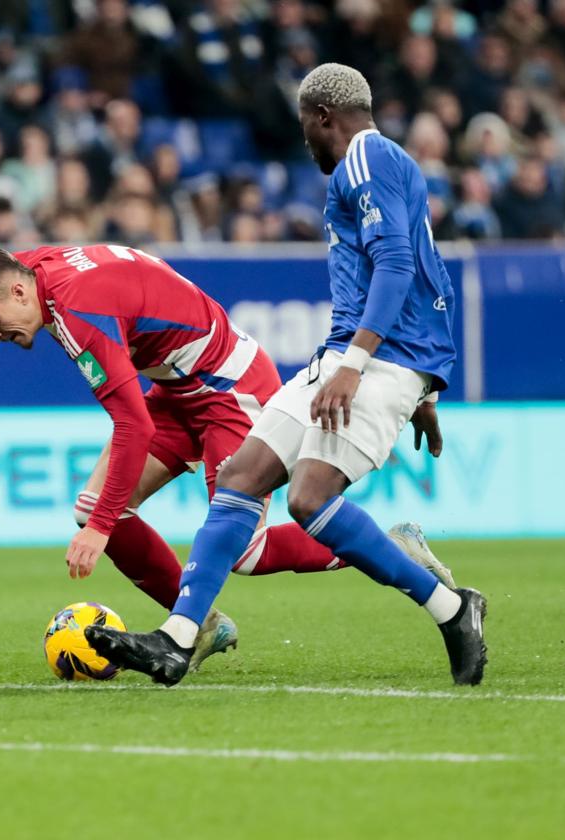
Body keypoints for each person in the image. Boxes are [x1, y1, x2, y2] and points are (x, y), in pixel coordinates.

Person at [0, 244, 454, 672]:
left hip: (227, 389)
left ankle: (393, 548)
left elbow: (130, 423)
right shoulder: (34, 271)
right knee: (94, 506)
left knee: (242, 549)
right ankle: (202, 625)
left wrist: (104, 530)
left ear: (19, 292)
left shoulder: (74, 310)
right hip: (181, 387)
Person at [83, 63, 486, 688]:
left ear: (323, 116)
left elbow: (400, 264)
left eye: (305, 127)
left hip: (378, 359)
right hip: (356, 355)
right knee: (242, 477)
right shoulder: (376, 168)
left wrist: (369, 369)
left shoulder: (364, 160)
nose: (305, 140)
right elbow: (423, 268)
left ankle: (453, 609)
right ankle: (177, 639)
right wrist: (418, 387)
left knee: (307, 500)